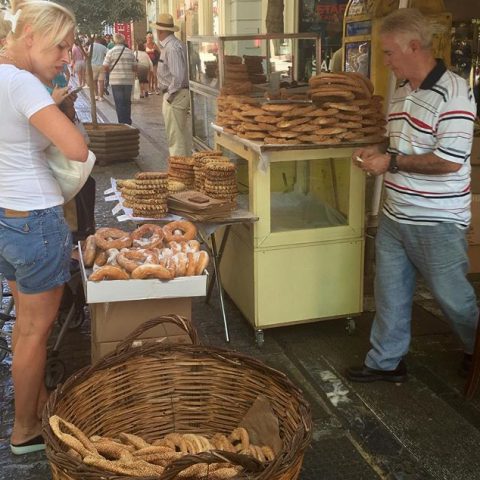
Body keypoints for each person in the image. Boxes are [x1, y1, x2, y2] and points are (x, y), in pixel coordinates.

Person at [346, 8, 478, 384]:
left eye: (389, 53)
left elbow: (449, 162)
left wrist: (390, 164)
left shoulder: (454, 94)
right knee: (390, 292)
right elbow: (399, 141)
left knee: (453, 298)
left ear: (414, 47)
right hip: (396, 214)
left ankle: (475, 349)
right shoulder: (403, 90)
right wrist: (377, 150)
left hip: (436, 219)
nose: (385, 62)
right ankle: (385, 361)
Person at [0, 0, 89, 454]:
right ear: (29, 35)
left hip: (6, 217)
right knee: (36, 329)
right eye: (61, 46)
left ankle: (29, 409)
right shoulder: (20, 83)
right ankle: (26, 429)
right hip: (34, 218)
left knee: (25, 324)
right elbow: (75, 147)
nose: (65, 57)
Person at [152, 14, 191, 156]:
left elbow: (178, 75)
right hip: (177, 94)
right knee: (180, 134)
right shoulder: (175, 45)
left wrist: (170, 94)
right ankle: (184, 166)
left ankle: (179, 170)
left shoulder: (172, 47)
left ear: (160, 31)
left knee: (176, 137)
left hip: (175, 95)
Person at [103, 33, 136, 125]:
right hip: (128, 81)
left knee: (119, 103)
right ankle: (128, 122)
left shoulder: (111, 52)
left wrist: (110, 70)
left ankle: (122, 123)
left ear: (114, 41)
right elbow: (135, 67)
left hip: (116, 81)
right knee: (127, 102)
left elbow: (105, 66)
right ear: (124, 41)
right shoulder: (130, 52)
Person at [90, 36, 107, 101]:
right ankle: (101, 97)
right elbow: (108, 55)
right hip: (102, 65)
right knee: (101, 81)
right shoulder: (104, 47)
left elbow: (88, 54)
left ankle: (96, 95)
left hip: (93, 65)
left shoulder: (91, 46)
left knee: (94, 81)